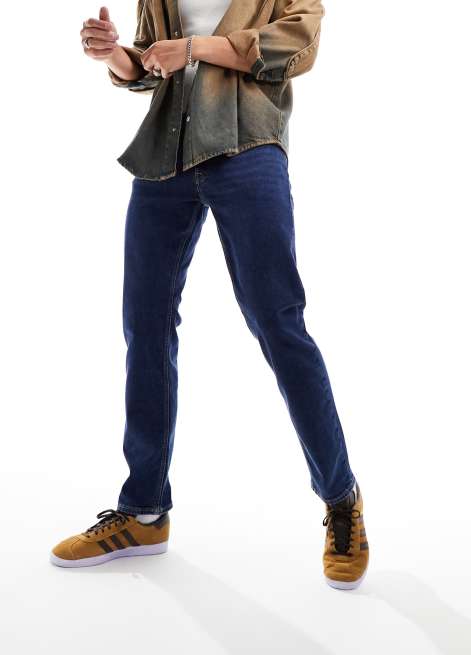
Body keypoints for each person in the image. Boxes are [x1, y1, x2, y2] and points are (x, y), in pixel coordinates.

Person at [51, 0, 369, 590]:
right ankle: (144, 511)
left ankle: (341, 498)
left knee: (277, 322)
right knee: (144, 323)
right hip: (166, 153)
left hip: (248, 150)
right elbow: (149, 67)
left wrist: (196, 49)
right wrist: (115, 54)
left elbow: (297, 45)